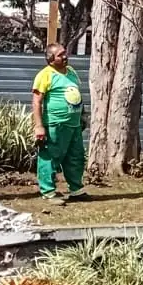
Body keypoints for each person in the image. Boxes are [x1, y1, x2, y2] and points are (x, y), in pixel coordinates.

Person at [32, 44, 85, 202]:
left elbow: (77, 95)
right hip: (55, 124)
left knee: (76, 157)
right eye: (60, 55)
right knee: (50, 157)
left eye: (65, 53)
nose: (65, 56)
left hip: (74, 125)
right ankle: (48, 191)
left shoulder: (72, 73)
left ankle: (76, 189)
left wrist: (83, 117)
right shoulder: (45, 75)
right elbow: (36, 102)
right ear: (50, 59)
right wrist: (39, 126)